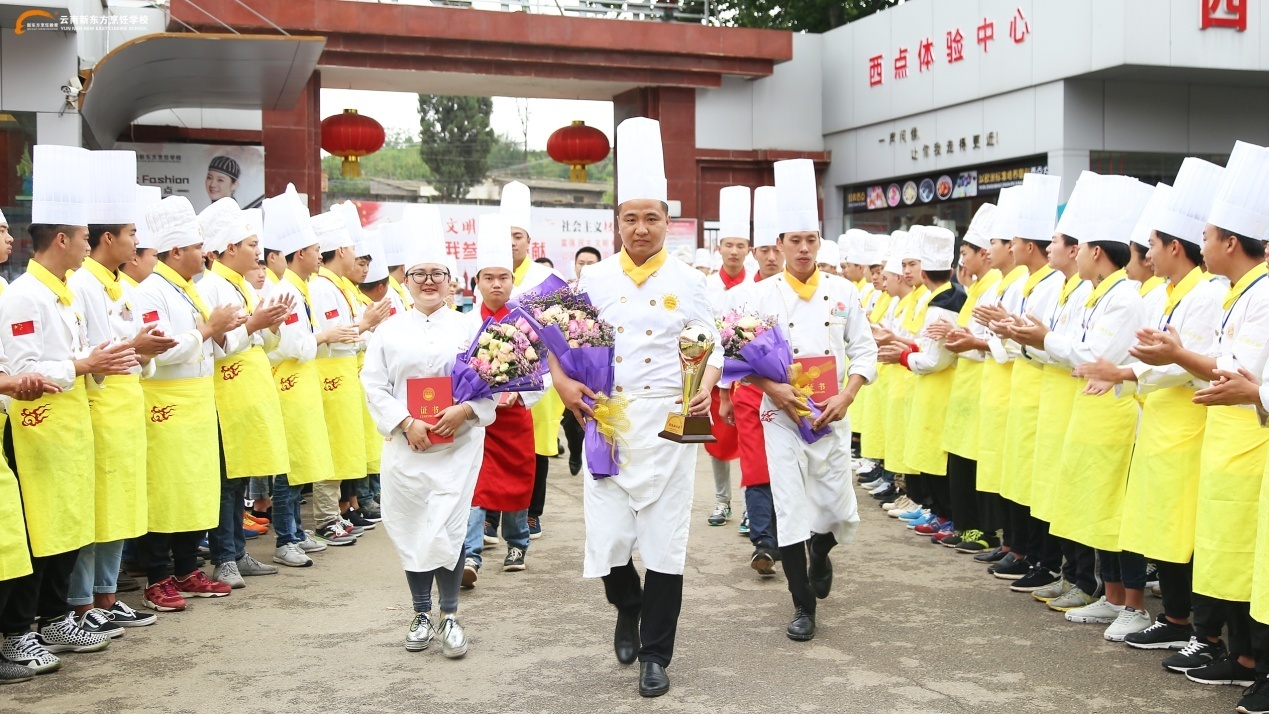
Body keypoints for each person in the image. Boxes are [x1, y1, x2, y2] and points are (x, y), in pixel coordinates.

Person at [548, 117, 722, 698]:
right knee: (609, 540)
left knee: (668, 541)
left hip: (671, 423)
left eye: (652, 218)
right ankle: (627, 602)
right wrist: (564, 386)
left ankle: (656, 654)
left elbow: (711, 342)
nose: (641, 228)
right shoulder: (592, 281)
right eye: (631, 218)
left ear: (667, 222)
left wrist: (709, 380)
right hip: (609, 422)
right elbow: (555, 339)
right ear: (617, 222)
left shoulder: (690, 280)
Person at [1128, 142, 1269, 693]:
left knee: (1243, 556)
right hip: (1226, 438)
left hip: (1248, 441)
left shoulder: (1255, 293)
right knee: (1226, 553)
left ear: (1230, 242)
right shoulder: (1239, 291)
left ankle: (1247, 656)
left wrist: (1179, 357)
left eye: (1207, 235)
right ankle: (1239, 656)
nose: (1202, 244)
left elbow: (1241, 374)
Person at [1078, 164, 1225, 645]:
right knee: (1159, 526)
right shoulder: (1168, 294)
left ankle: (1187, 624)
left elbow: (1187, 363)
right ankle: (1178, 620)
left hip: (1187, 426)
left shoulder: (1205, 295)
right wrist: (1129, 371)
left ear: (1173, 247)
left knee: (1179, 531)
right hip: (1160, 423)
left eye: (1153, 246)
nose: (1147, 256)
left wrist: (1124, 372)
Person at [0, 145, 131, 671]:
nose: (86, 247)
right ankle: (17, 631)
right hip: (38, 426)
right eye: (81, 238)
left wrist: (101, 360)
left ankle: (55, 617)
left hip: (69, 422)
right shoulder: (26, 297)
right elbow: (23, 368)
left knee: (70, 522)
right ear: (61, 239)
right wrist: (80, 366)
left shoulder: (64, 293)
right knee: (37, 531)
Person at [1011, 175, 1152, 623]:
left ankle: (1126, 602)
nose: (1066, 251)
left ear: (1093, 252)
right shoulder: (1096, 295)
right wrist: (1040, 339)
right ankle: (1109, 597)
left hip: (1113, 410)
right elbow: (1077, 352)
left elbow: (1096, 356)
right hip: (1088, 406)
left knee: (1112, 512)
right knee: (1090, 505)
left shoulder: (1124, 298)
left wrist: (1045, 338)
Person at [748, 158, 877, 642]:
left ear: (819, 243)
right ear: (779, 245)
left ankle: (821, 550)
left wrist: (847, 394)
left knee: (840, 510)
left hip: (830, 414)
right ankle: (803, 607)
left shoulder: (844, 291)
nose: (803, 249)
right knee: (790, 507)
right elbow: (740, 357)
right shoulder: (761, 297)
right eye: (794, 240)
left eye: (811, 240)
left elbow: (863, 351)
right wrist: (772, 389)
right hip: (780, 416)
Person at [361, 230, 494, 659]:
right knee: (413, 527)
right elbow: (374, 385)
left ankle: (450, 616)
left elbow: (493, 380)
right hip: (408, 447)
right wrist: (405, 421)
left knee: (449, 529)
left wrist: (467, 411)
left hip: (457, 448)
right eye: (419, 273)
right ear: (405, 279)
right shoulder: (388, 330)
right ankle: (421, 614)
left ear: (452, 280)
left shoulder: (470, 327)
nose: (429, 280)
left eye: (438, 273)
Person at [67, 151, 172, 634]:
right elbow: (89, 354)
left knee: (122, 502)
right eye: (131, 234)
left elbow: (129, 350)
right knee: (98, 505)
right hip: (101, 406)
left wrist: (145, 351)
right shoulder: (83, 285)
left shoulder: (120, 285)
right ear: (107, 239)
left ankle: (108, 596)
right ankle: (82, 601)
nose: (136, 242)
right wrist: (135, 346)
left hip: (128, 405)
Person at [135, 195, 245, 610]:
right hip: (166, 403)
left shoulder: (189, 291)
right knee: (165, 489)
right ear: (176, 251)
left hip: (199, 401)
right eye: (198, 247)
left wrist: (222, 330)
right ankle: (157, 576)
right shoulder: (150, 292)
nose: (204, 253)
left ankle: (186, 567)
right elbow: (158, 351)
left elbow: (220, 342)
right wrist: (206, 330)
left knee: (196, 488)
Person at [196, 197, 295, 584]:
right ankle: (224, 558)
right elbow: (217, 344)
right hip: (226, 395)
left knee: (239, 477)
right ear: (230, 248)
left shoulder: (242, 287)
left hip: (249, 393)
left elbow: (262, 345)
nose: (259, 252)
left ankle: (238, 551)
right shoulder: (211, 288)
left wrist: (270, 326)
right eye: (252, 245)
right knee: (225, 478)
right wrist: (254, 326)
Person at [262, 186, 343, 563]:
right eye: (313, 251)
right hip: (288, 383)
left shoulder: (302, 289)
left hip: (302, 384)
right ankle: (285, 541)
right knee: (288, 468)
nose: (318, 256)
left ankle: (296, 530)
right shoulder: (286, 293)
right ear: (299, 255)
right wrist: (324, 335)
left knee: (302, 462)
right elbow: (294, 346)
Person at [991, 173, 1065, 581]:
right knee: (1022, 476)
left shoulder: (1050, 286)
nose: (1009, 246)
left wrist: (1010, 335)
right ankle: (1024, 551)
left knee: (1040, 480)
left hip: (1043, 390)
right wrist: (1007, 334)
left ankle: (1043, 559)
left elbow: (1042, 342)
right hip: (1026, 389)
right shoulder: (1028, 285)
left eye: (1013, 240)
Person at [462, 214, 539, 586]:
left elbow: (543, 376)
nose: (496, 284)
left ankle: (517, 543)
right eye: (488, 277)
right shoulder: (463, 322)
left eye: (503, 277)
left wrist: (517, 393)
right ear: (477, 282)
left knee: (518, 478)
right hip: (476, 419)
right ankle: (470, 554)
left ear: (512, 280)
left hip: (514, 416)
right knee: (476, 482)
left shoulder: (528, 321)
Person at [309, 205, 389, 543]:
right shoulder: (322, 288)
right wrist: (366, 325)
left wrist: (366, 328)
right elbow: (335, 334)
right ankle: (327, 516)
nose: (357, 257)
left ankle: (340, 511)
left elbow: (352, 335)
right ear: (340, 250)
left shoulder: (338, 287)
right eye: (354, 249)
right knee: (330, 446)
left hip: (345, 374)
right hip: (330, 374)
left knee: (345, 445)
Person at [881, 225, 966, 544]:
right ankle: (937, 510)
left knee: (938, 458)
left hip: (940, 388)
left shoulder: (943, 300)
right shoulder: (940, 296)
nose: (904, 272)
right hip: (931, 388)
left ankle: (950, 516)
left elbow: (934, 358)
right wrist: (905, 346)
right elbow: (924, 344)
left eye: (910, 264)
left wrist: (902, 356)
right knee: (927, 452)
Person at [924, 204, 1001, 553]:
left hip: (982, 384)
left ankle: (979, 532)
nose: (962, 261)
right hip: (968, 386)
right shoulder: (979, 287)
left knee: (973, 467)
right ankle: (966, 527)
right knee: (961, 463)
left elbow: (988, 340)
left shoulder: (994, 286)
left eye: (966, 253)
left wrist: (959, 335)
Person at [719, 185, 783, 567]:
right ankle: (763, 542)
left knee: (790, 466)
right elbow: (726, 350)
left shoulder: (797, 292)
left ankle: (790, 534)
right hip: (749, 394)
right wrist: (725, 395)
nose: (772, 257)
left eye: (778, 249)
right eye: (764, 251)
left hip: (793, 393)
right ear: (753, 253)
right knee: (756, 464)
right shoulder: (738, 294)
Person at [499, 182, 563, 541]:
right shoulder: (488, 274)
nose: (512, 243)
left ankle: (533, 512)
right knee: (495, 439)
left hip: (540, 375)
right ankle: (492, 513)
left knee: (535, 446)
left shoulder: (543, 279)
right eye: (506, 235)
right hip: (494, 373)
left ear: (529, 241)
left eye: (518, 236)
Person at [701, 186, 748, 527]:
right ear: (719, 248)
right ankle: (722, 501)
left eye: (741, 245)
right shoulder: (704, 285)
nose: (734, 251)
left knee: (752, 441)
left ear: (749, 249)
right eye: (728, 244)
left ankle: (752, 506)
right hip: (715, 375)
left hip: (750, 374)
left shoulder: (759, 286)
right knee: (718, 440)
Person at [561, 246, 602, 476]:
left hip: (599, 365)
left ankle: (592, 456)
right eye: (581, 262)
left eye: (591, 263)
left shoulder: (607, 292)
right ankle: (575, 451)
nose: (585, 267)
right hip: (570, 368)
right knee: (570, 419)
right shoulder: (565, 294)